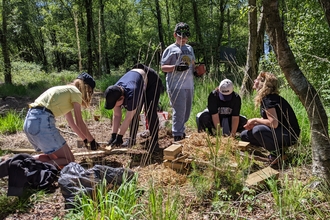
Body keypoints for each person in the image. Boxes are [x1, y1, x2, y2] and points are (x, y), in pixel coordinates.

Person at [23, 72, 100, 169]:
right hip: (42, 122)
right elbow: (79, 122)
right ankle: (30, 167)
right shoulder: (76, 92)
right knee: (69, 160)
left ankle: (18, 162)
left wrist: (85, 140)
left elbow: (71, 123)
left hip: (30, 122)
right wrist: (92, 141)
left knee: (55, 158)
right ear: (86, 88)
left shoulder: (65, 91)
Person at [240, 71, 300, 160]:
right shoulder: (267, 98)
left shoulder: (268, 100)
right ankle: (278, 147)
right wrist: (254, 124)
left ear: (262, 84)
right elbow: (269, 120)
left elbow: (273, 123)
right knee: (245, 135)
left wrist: (254, 120)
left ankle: (278, 155)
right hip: (280, 131)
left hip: (289, 134)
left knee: (257, 130)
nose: (254, 80)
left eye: (257, 79)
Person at [104, 63, 164, 153]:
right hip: (138, 80)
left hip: (151, 81)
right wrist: (113, 135)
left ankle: (154, 141)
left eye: (116, 104)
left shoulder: (133, 92)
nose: (116, 106)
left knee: (150, 111)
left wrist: (120, 136)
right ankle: (132, 140)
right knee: (134, 112)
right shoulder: (114, 91)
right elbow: (117, 115)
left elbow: (128, 118)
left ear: (122, 98)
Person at [161, 22, 196, 142]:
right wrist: (175, 67)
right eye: (181, 36)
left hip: (189, 84)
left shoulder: (190, 48)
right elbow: (163, 67)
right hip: (175, 84)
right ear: (175, 35)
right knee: (179, 109)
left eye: (186, 37)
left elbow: (192, 64)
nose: (184, 39)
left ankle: (181, 129)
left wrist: (197, 71)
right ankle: (177, 135)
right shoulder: (170, 49)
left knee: (186, 111)